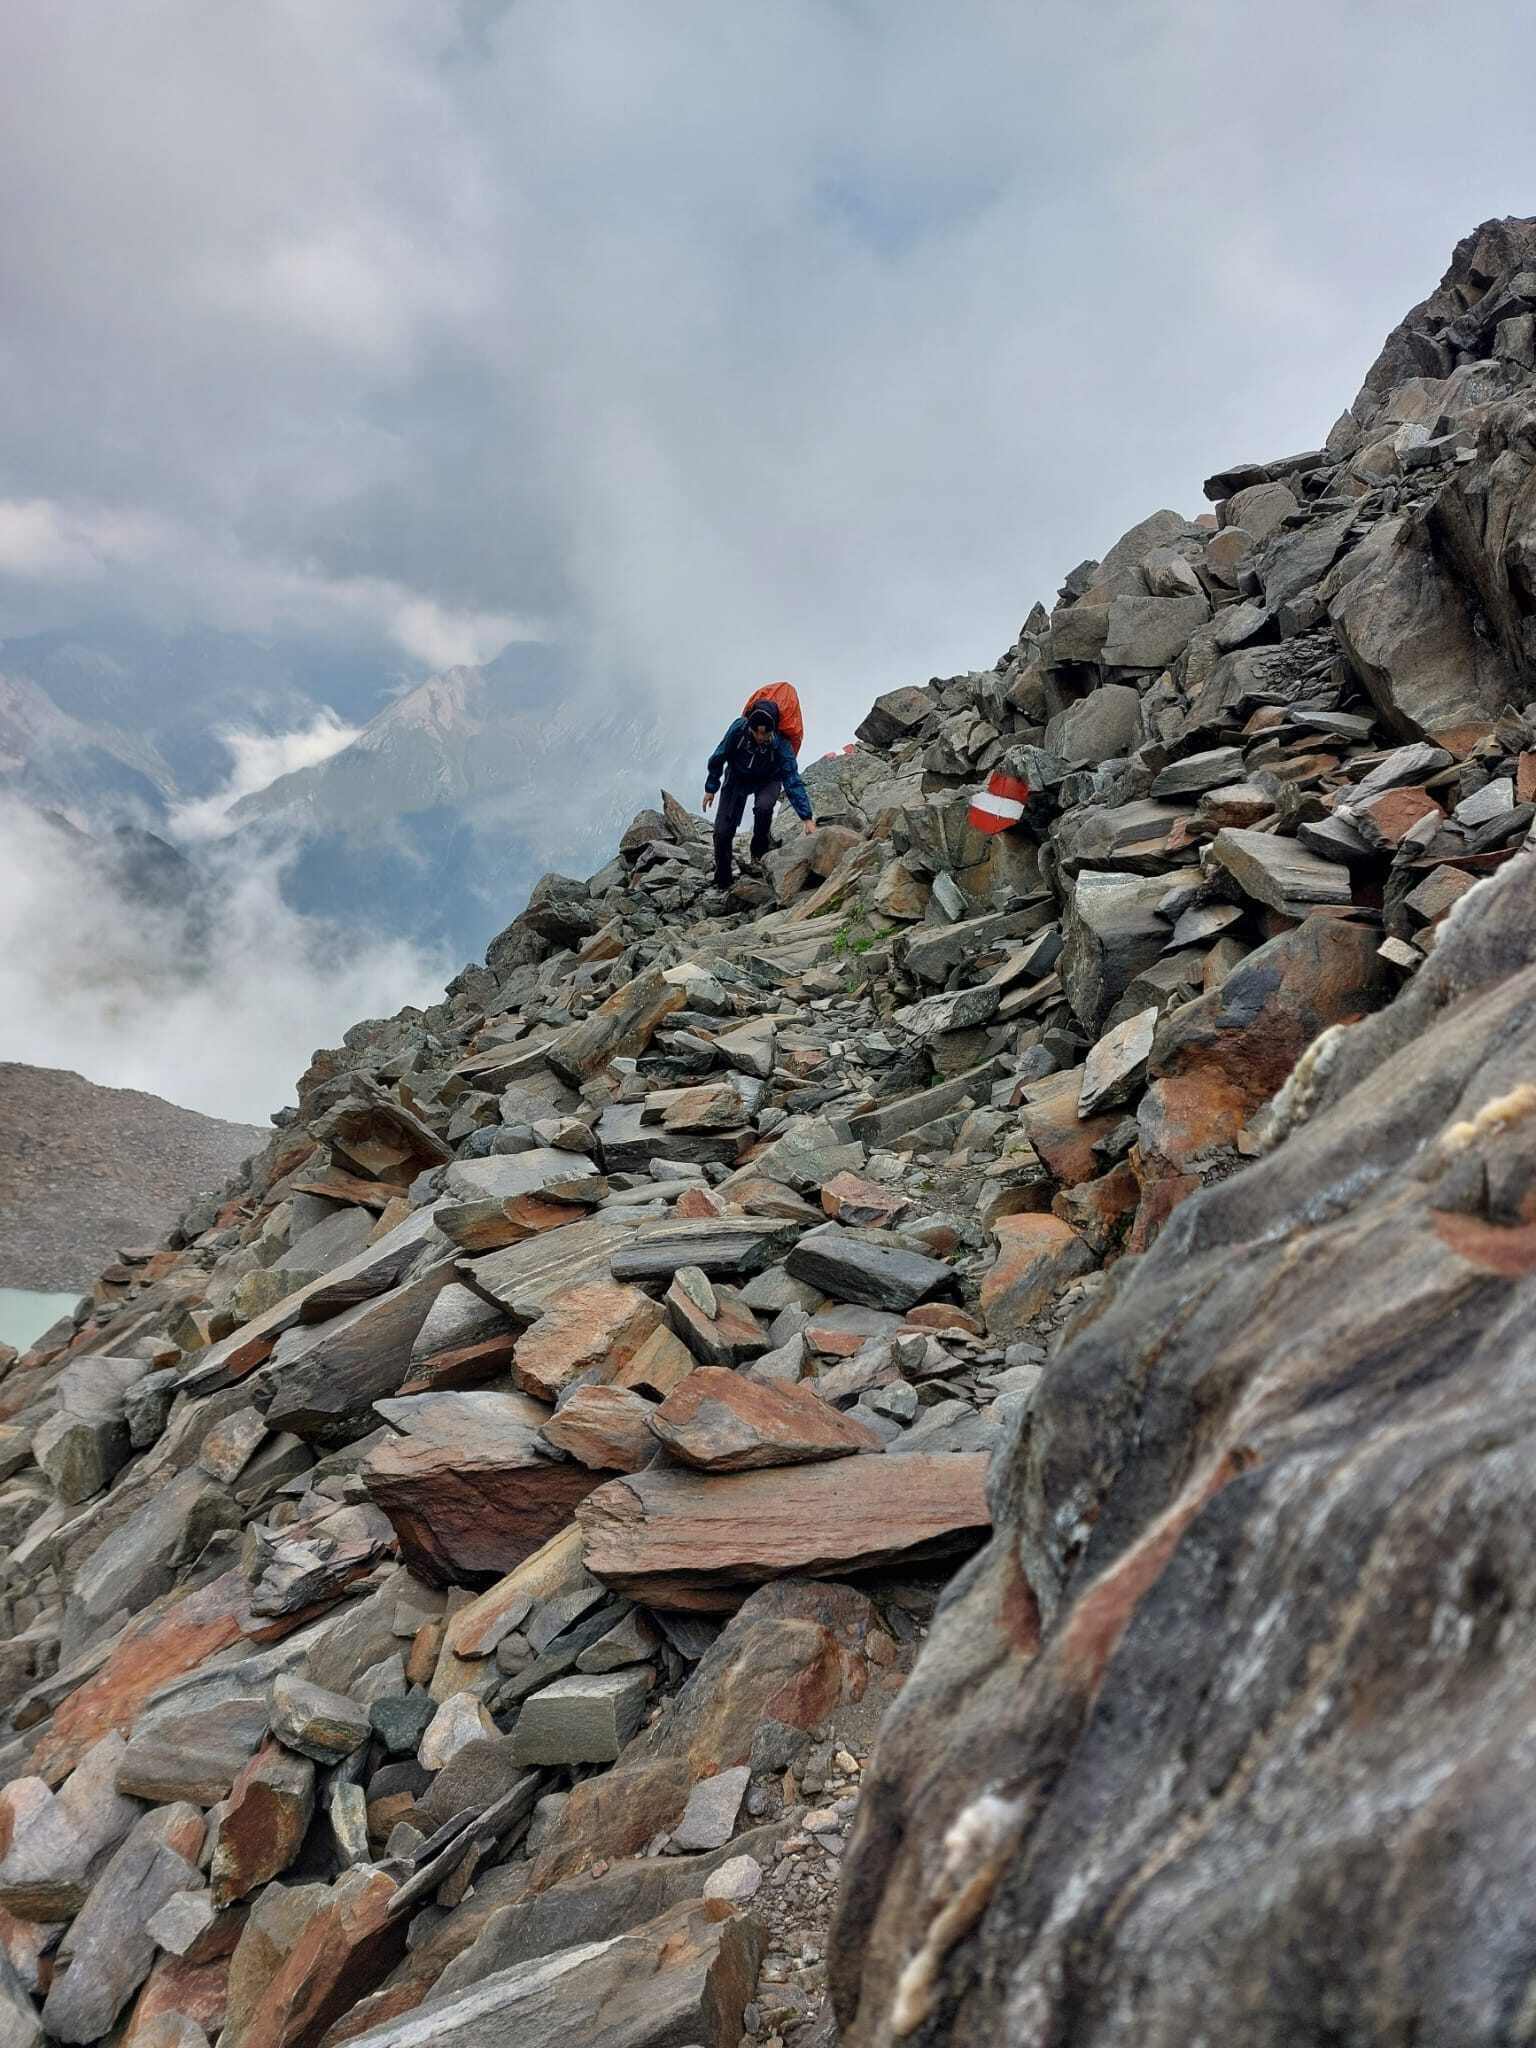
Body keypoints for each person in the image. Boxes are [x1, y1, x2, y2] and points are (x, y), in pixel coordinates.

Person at [703, 697, 814, 891]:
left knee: (763, 807)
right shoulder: (739, 729)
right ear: (750, 727)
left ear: (773, 730)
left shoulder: (781, 745)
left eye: (766, 733)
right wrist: (711, 788)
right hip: (737, 776)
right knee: (722, 832)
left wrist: (806, 817)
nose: (761, 737)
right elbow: (719, 755)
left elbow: (791, 779)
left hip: (769, 779)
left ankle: (759, 853)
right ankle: (723, 880)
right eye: (757, 732)